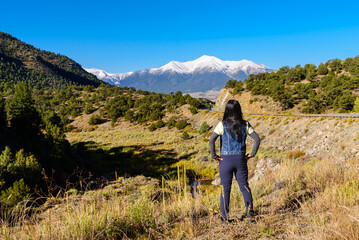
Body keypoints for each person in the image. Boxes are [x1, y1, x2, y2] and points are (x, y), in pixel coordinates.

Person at [209, 100, 260, 224]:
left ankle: (225, 219)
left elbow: (211, 140)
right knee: (244, 186)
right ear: (239, 110)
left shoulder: (222, 124)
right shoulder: (245, 124)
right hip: (241, 160)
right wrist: (251, 155)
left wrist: (214, 155)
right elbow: (257, 140)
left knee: (225, 189)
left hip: (225, 160)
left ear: (227, 110)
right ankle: (250, 216)